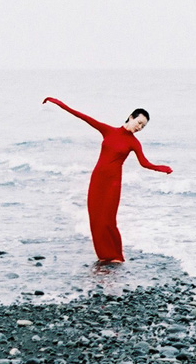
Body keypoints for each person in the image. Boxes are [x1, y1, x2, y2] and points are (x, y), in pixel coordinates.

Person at [42, 97, 172, 263]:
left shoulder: (134, 143)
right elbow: (84, 117)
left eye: (143, 126)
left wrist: (161, 168)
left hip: (113, 184)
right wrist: (58, 103)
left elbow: (144, 163)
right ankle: (104, 255)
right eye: (139, 122)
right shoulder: (108, 131)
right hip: (97, 180)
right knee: (95, 218)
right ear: (131, 117)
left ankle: (117, 256)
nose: (139, 128)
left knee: (108, 220)